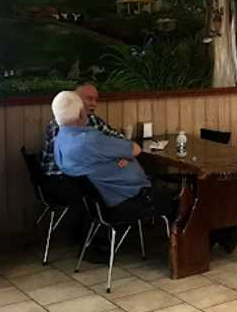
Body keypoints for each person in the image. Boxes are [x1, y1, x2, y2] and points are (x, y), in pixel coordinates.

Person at [51, 91, 177, 224]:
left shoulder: (61, 139)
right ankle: (181, 242)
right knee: (182, 198)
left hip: (98, 205)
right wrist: (124, 154)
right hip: (129, 200)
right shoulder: (89, 140)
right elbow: (136, 149)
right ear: (81, 113)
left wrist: (118, 156)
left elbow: (96, 161)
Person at [41, 82, 124, 176]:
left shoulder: (93, 120)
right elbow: (77, 157)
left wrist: (123, 154)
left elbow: (119, 138)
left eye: (96, 100)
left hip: (86, 176)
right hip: (60, 176)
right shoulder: (60, 124)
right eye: (89, 99)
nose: (94, 104)